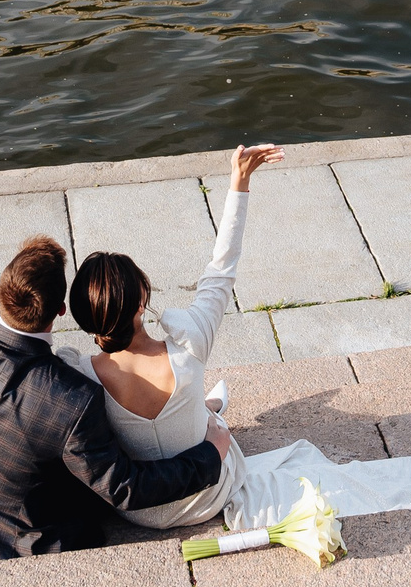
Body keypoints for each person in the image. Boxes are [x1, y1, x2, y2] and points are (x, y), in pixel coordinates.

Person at [0, 90, 225, 563]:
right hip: (15, 544)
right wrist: (210, 454)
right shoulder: (70, 400)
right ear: (61, 314)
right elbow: (126, 489)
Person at [60, 142, 283, 527]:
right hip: (211, 495)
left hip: (138, 511)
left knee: (193, 407)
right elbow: (221, 268)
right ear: (142, 301)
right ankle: (208, 413)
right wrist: (239, 180)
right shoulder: (190, 341)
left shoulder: (77, 375)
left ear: (82, 317)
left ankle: (205, 408)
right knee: (211, 422)